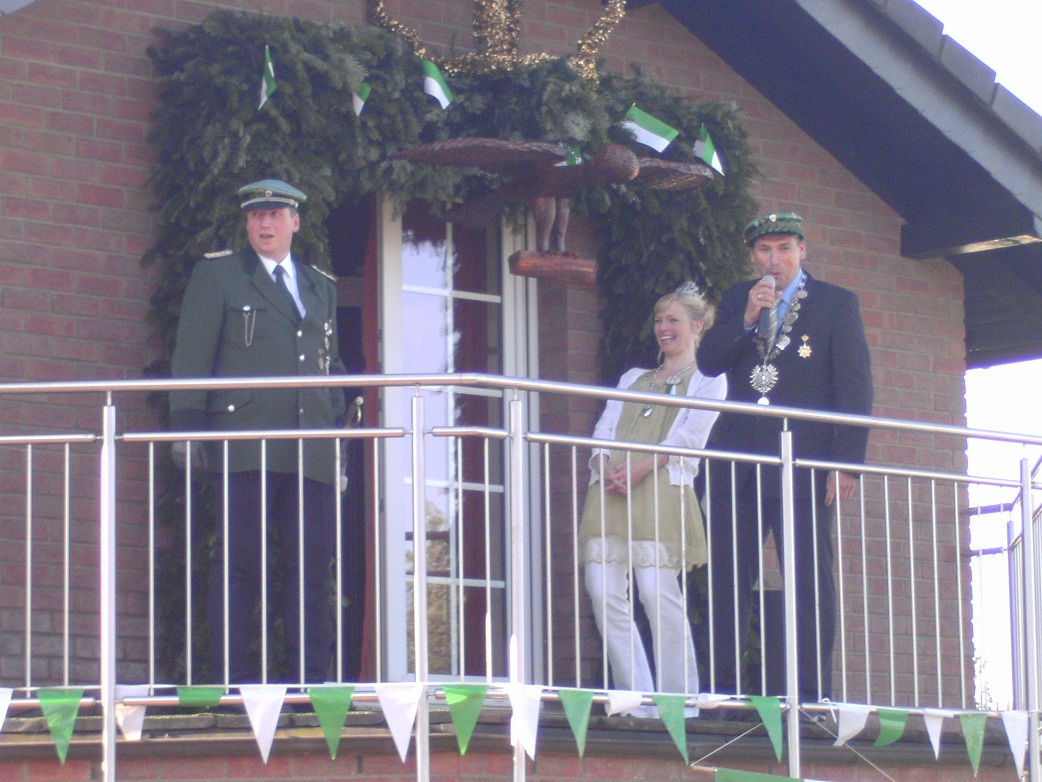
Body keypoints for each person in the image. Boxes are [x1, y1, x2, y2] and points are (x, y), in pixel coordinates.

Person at [169, 179, 347, 685]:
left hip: (311, 445)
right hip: (245, 440)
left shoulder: (320, 285)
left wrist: (336, 429)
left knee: (311, 569)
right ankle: (232, 681)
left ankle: (309, 682)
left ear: (295, 222)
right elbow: (192, 355)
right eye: (255, 216)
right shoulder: (219, 275)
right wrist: (187, 429)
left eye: (274, 215)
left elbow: (330, 365)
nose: (264, 224)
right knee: (239, 563)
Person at [696, 212, 873, 702]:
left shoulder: (836, 303)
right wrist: (747, 318)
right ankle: (723, 692)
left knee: (808, 576)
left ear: (802, 251)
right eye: (764, 250)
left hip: (804, 461)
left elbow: (855, 386)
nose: (774, 260)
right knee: (729, 576)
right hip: (738, 460)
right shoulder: (740, 297)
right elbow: (709, 362)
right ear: (754, 256)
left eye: (784, 248)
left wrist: (847, 461)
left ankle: (813, 694)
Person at [579, 283, 726, 710]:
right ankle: (636, 698)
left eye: (673, 320)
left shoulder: (709, 382)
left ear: (697, 326)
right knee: (602, 592)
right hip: (611, 490)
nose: (664, 327)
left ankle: (680, 702)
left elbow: (689, 438)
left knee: (656, 594)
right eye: (659, 320)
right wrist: (604, 467)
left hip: (660, 491)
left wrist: (640, 469)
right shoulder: (632, 378)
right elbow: (604, 428)